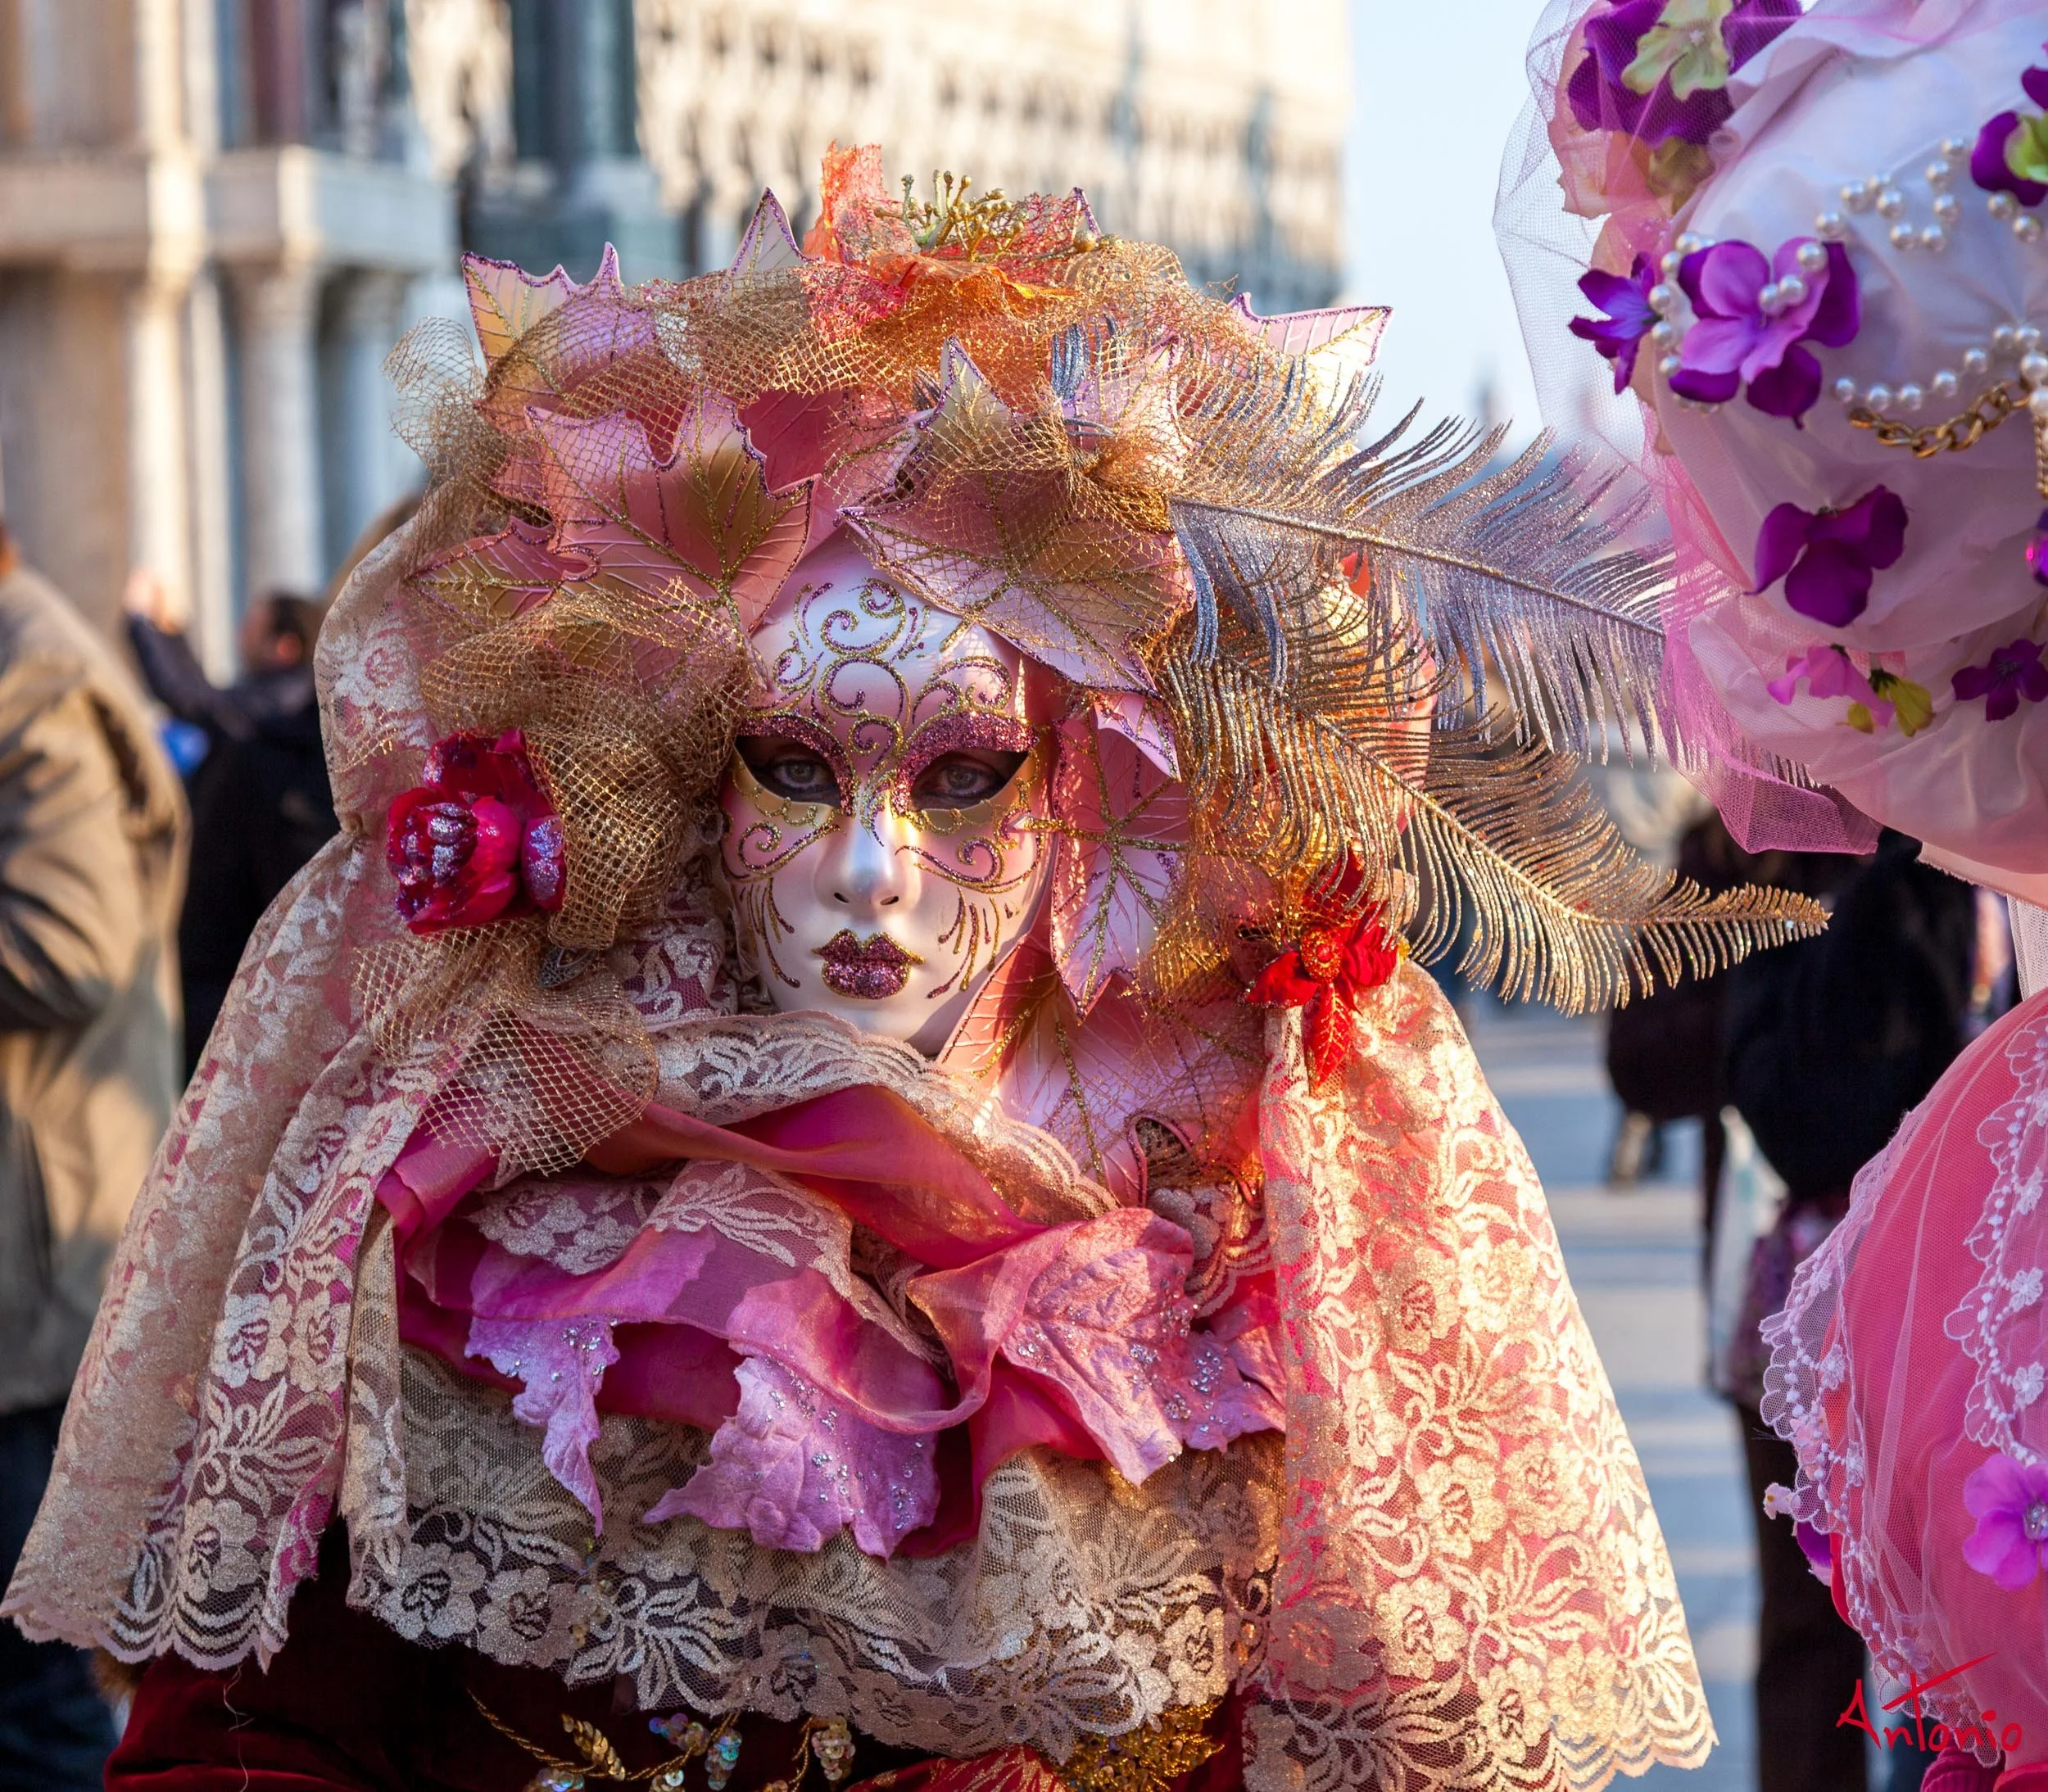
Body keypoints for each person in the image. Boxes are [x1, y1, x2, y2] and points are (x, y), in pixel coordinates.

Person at [4, 154, 1823, 1790]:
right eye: (794, 767)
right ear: (686, 785)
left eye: (966, 777)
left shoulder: (1230, 1268)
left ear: (1091, 803)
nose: (873, 869)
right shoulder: (498, 1243)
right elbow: (251, 1736)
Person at [0, 520, 185, 1789]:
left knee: (43, 1701)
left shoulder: (34, 675)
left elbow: (68, 943)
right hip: (34, 1275)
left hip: (41, 1286)